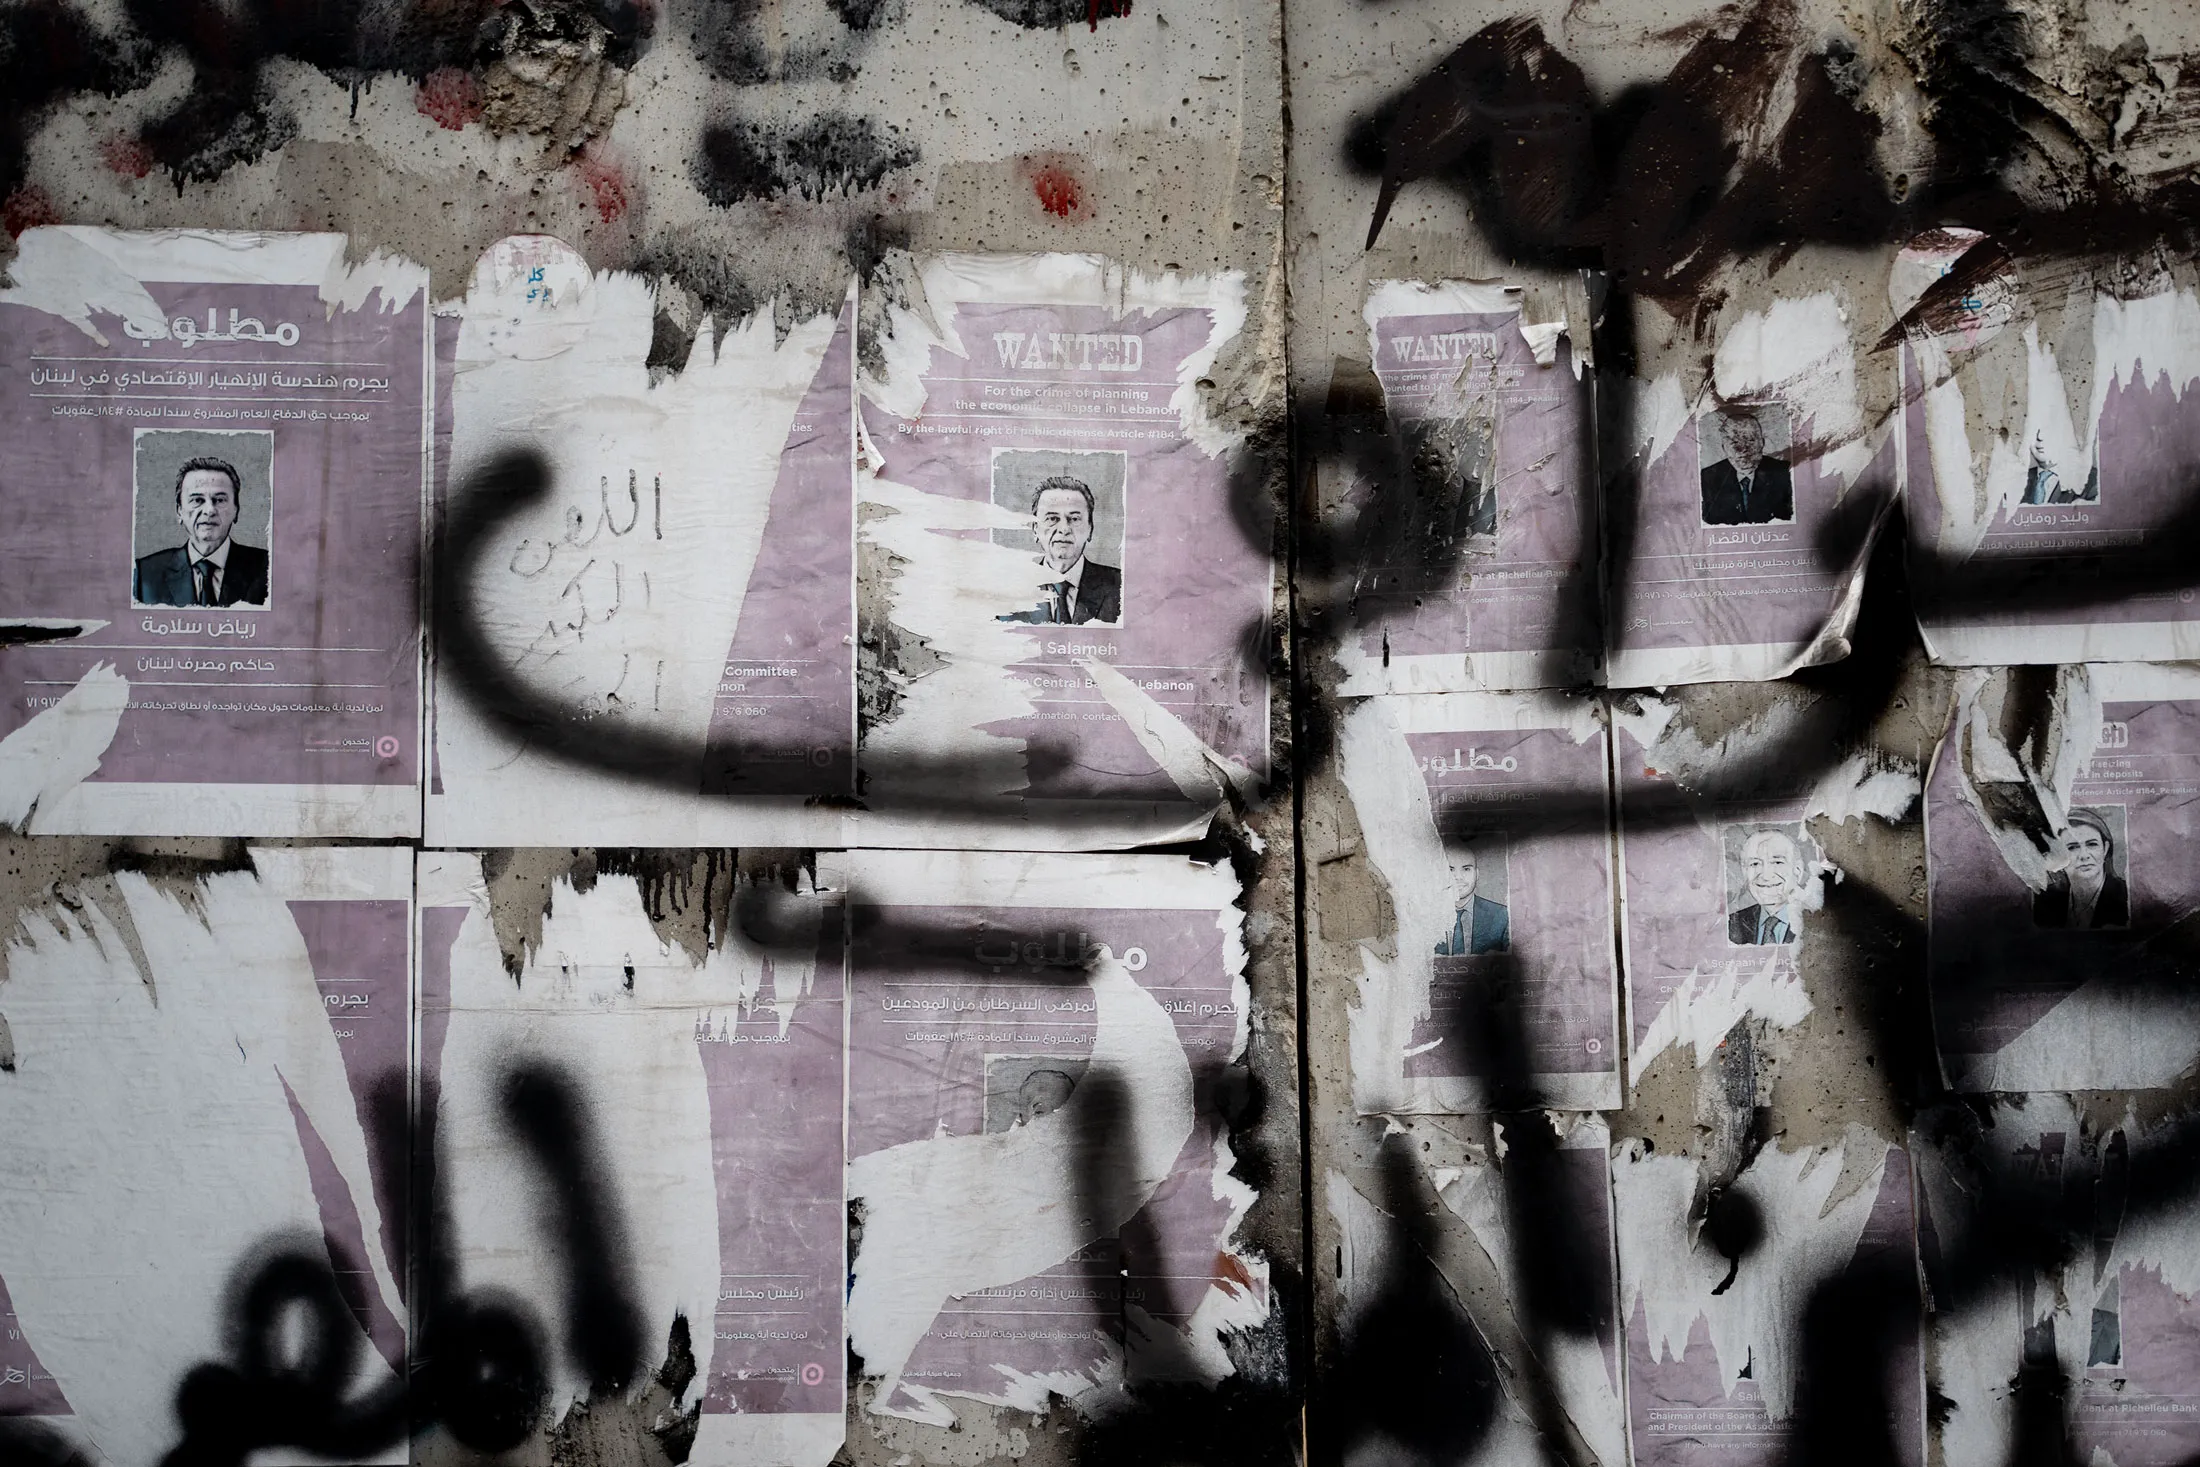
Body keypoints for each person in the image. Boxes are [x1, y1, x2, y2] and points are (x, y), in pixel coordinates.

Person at [133, 457, 269, 607]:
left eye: (220, 500)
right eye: (197, 500)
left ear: (236, 510)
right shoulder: (144, 574)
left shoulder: (268, 569)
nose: (209, 510)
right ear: (179, 511)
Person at [1003, 476, 1121, 625]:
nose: (1064, 529)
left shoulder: (1121, 586)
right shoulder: (1007, 593)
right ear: (1035, 530)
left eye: (1075, 519)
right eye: (1052, 519)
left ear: (1090, 530)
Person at [2034, 809, 2129, 929]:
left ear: (2105, 849)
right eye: (2072, 847)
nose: (2084, 856)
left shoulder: (2129, 898)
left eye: (2092, 844)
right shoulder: (2044, 901)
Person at [1699, 412, 1794, 526]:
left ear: (1762, 443)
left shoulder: (1786, 473)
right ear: (1724, 447)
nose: (1742, 449)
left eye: (1750, 440)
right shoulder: (1707, 478)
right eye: (1734, 442)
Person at [1728, 828, 1806, 945]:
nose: (1766, 876)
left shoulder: (1820, 921)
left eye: (1777, 862)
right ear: (1744, 872)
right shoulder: (1731, 924)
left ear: (1798, 871)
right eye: (1755, 864)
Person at [1434, 844, 1509, 955]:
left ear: (1477, 874)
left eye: (1466, 869)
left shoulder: (1502, 916)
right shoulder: (1423, 916)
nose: (1458, 877)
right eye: (1450, 869)